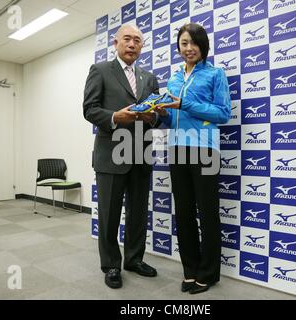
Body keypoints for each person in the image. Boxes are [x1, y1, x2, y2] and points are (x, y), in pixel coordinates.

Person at [155, 23, 231, 294]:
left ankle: (208, 274)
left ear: (203, 45)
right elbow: (171, 118)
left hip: (205, 150)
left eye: (193, 43)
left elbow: (223, 114)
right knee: (184, 213)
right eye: (184, 43)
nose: (188, 48)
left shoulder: (215, 74)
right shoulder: (174, 79)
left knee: (208, 213)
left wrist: (185, 104)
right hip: (177, 149)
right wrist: (160, 113)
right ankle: (190, 270)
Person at [83, 24, 159, 289]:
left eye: (138, 40)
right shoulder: (100, 70)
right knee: (109, 214)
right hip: (110, 155)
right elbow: (89, 109)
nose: (132, 44)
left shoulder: (149, 77)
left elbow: (158, 115)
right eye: (127, 39)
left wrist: (154, 116)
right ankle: (111, 265)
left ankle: (134, 260)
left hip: (141, 155)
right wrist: (116, 116)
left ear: (142, 47)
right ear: (115, 42)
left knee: (138, 213)